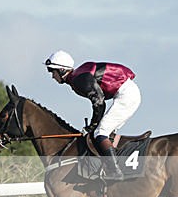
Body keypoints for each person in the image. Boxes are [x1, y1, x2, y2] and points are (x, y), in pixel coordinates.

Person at [45, 50, 141, 180]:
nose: (52, 76)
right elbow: (99, 102)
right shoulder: (78, 76)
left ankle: (115, 172)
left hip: (126, 95)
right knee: (103, 131)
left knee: (100, 132)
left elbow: (99, 102)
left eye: (52, 71)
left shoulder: (79, 80)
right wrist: (93, 124)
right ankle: (111, 165)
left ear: (62, 70)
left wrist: (92, 125)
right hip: (126, 92)